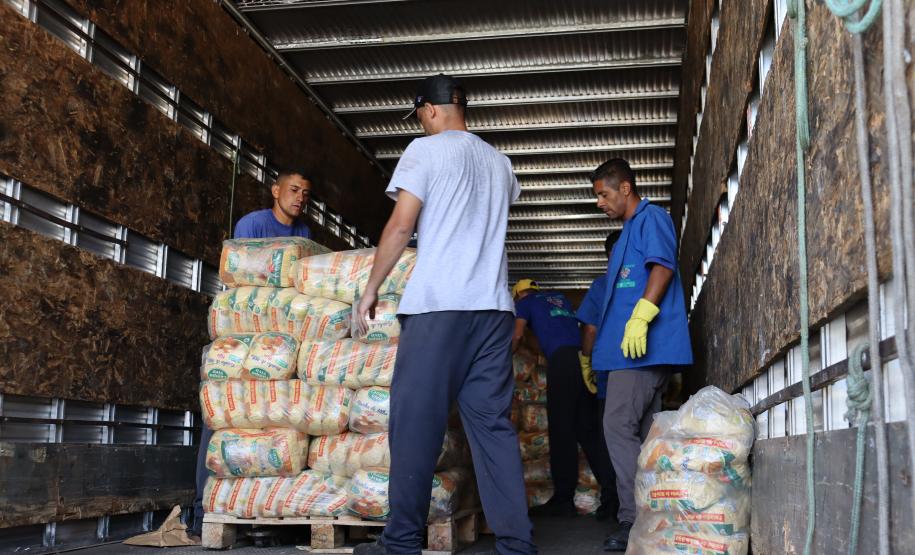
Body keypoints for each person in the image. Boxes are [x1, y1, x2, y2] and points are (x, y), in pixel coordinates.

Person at [352, 74, 535, 555]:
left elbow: (401, 225)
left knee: (415, 424)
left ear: (430, 111)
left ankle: (401, 544)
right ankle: (518, 545)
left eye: (420, 116)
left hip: (439, 309)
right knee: (492, 428)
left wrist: (370, 289)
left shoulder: (424, 150)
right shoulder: (500, 163)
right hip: (493, 311)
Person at [189, 167, 314, 538]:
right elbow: (245, 283)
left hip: (279, 345)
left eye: (306, 193)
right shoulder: (252, 225)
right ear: (276, 190)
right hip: (243, 340)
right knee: (222, 422)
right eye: (294, 190)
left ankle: (263, 515)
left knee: (274, 427)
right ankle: (202, 511)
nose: (300, 198)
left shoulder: (304, 234)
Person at [588, 159, 692, 551]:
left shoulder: (652, 219)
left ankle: (636, 519)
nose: (600, 202)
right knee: (647, 436)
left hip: (642, 353)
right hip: (628, 354)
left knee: (616, 426)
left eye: (604, 193)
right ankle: (657, 519)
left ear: (626, 188)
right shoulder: (629, 230)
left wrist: (642, 315)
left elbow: (662, 268)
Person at [511, 280, 618, 521]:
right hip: (581, 360)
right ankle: (613, 499)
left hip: (561, 362)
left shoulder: (525, 303)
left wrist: (500, 361)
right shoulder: (560, 300)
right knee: (587, 431)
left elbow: (517, 335)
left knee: (562, 431)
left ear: (518, 296)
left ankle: (563, 500)